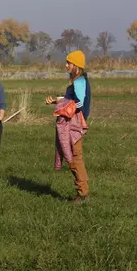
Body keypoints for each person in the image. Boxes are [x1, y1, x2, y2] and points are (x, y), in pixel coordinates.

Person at [45, 50, 91, 204]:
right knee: (74, 157)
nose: (66, 65)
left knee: (75, 158)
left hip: (74, 124)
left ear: (76, 65)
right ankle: (83, 192)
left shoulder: (79, 82)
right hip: (73, 122)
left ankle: (83, 194)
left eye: (68, 63)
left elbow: (79, 103)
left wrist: (64, 107)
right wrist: (57, 101)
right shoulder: (77, 81)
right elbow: (69, 99)